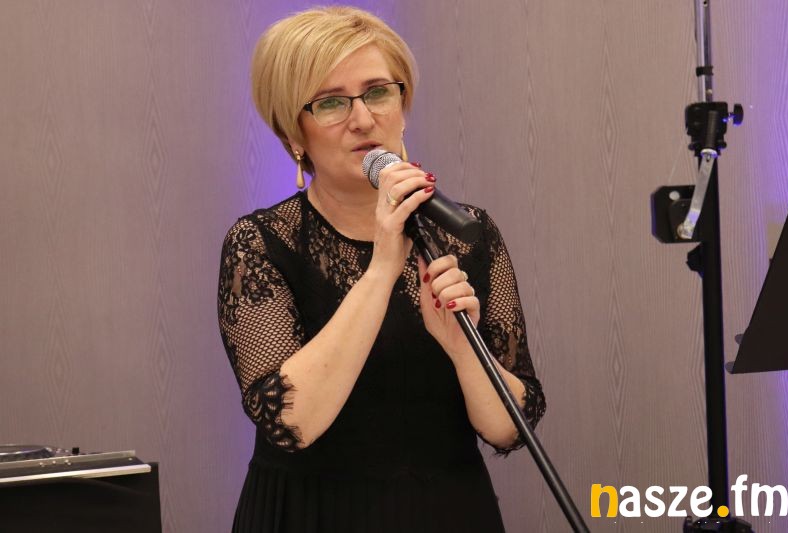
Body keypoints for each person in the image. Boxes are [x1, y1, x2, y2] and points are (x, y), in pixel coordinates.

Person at [217, 6, 545, 532]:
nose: (363, 119)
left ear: (403, 106)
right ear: (293, 135)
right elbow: (290, 423)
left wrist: (462, 347)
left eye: (377, 92)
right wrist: (382, 268)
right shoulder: (260, 243)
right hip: (312, 514)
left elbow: (511, 429)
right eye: (330, 102)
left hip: (449, 510)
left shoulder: (468, 232)